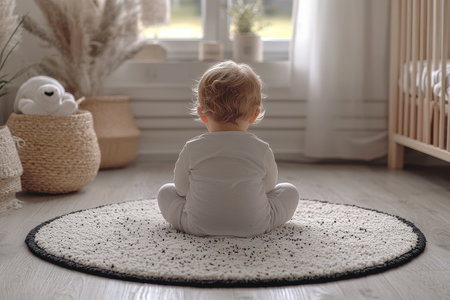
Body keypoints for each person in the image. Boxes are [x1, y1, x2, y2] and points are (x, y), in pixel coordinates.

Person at [157, 61, 299, 237]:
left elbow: (181, 190)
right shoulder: (261, 149)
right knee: (289, 190)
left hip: (197, 226)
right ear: (255, 114)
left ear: (202, 113)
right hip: (255, 226)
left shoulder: (192, 148)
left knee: (165, 191)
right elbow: (269, 187)